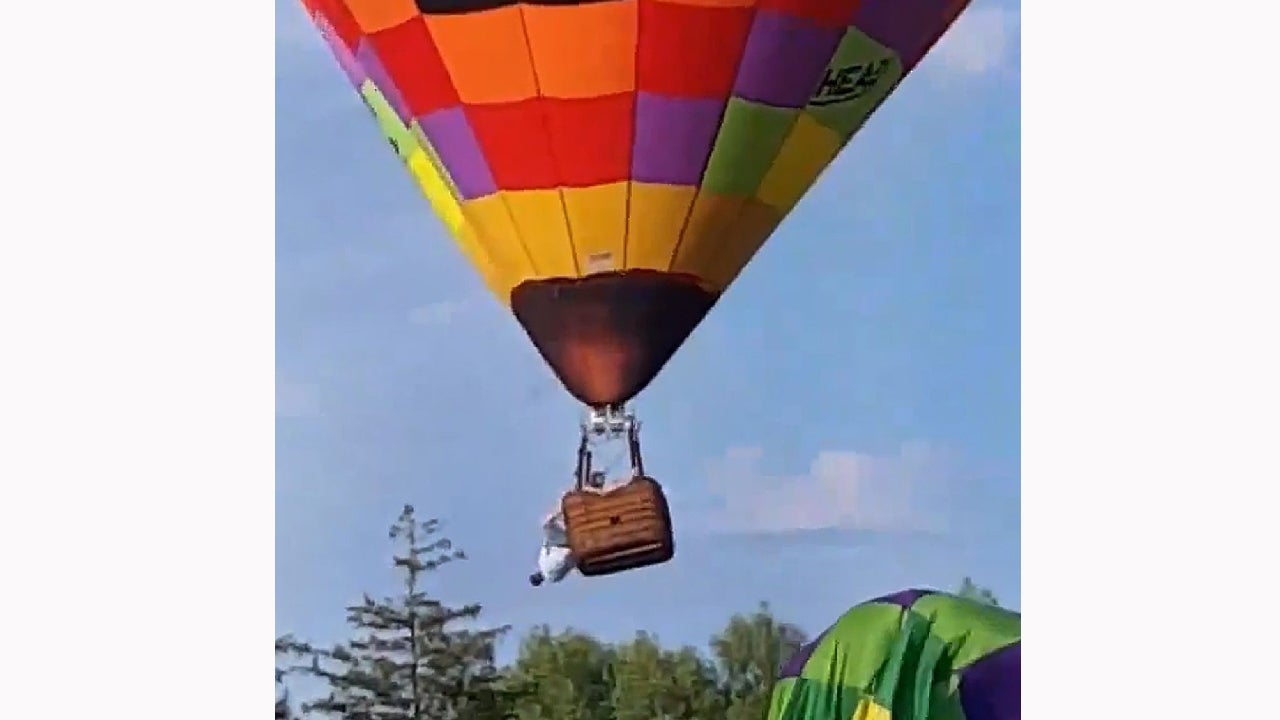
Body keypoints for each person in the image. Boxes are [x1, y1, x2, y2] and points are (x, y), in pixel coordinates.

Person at [529, 506, 576, 587]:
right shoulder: (541, 563)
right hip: (563, 544)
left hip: (574, 558)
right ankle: (564, 508)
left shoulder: (554, 580)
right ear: (536, 574)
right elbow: (545, 544)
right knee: (546, 524)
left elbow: (566, 569)